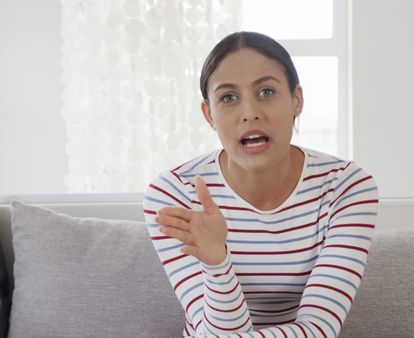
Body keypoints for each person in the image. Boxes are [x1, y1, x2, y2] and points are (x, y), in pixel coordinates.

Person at [143, 31, 378, 338]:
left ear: (297, 100)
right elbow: (213, 333)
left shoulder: (346, 187)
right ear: (208, 114)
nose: (250, 112)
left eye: (266, 92)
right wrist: (217, 265)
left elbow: (320, 329)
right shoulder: (174, 193)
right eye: (228, 98)